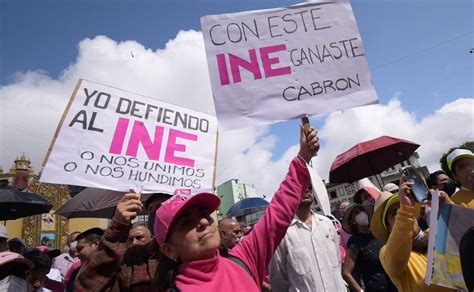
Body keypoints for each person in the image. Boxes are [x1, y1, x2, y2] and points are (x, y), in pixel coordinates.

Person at [155, 125, 319, 291]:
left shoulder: (243, 259)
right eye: (187, 222)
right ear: (169, 250)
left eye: (205, 214)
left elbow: (279, 211)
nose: (204, 221)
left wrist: (303, 158)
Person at [370, 178, 455, 292]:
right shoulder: (386, 252)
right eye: (395, 213)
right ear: (389, 227)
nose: (404, 213)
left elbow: (464, 234)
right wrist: (405, 209)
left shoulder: (434, 233)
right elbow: (395, 261)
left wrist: (446, 206)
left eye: (402, 208)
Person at [75, 192, 171, 291]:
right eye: (150, 210)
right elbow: (87, 286)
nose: (154, 213)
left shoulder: (185, 255)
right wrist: (117, 226)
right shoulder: (134, 259)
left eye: (160, 206)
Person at [270, 183, 346, 292]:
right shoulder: (282, 233)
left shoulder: (327, 223)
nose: (306, 190)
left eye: (309, 187)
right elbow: (278, 278)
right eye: (300, 186)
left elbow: (337, 262)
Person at [341, 203, 396, 292]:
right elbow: (346, 273)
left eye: (362, 210)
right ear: (352, 220)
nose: (361, 214)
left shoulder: (378, 235)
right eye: (356, 213)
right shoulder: (355, 241)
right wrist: (360, 290)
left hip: (395, 287)